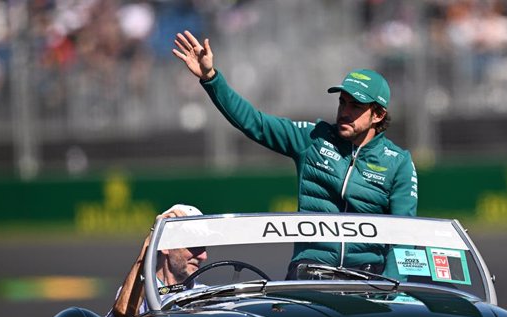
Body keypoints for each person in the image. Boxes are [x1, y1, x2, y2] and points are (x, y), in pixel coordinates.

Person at [172, 30, 418, 277]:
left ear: (378, 115)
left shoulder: (398, 162)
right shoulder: (312, 138)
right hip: (311, 273)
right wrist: (211, 78)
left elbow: (404, 236)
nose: (345, 111)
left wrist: (392, 292)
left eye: (356, 106)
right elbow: (254, 123)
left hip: (367, 278)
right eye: (342, 102)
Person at [106, 204, 207, 317]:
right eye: (193, 246)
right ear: (165, 245)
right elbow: (123, 314)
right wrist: (151, 240)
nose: (203, 256)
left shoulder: (205, 294)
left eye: (203, 246)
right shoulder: (138, 290)